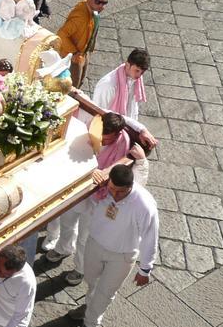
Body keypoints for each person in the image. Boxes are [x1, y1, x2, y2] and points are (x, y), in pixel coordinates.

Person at [44, 112, 149, 282]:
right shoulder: (93, 126)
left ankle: (80, 268)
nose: (101, 142)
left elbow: (117, 169)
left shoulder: (123, 145)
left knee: (85, 237)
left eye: (106, 140)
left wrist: (101, 172)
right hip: (79, 189)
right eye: (100, 137)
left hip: (99, 198)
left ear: (117, 135)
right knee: (67, 221)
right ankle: (63, 248)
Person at [65, 164, 158, 327]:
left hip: (122, 256)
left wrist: (145, 268)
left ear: (130, 186)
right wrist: (91, 176)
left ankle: (90, 324)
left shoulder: (144, 205)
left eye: (121, 192)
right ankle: (90, 307)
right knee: (92, 282)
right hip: (95, 245)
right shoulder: (102, 189)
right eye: (112, 190)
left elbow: (150, 237)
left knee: (105, 291)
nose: (115, 196)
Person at [93, 48, 158, 148]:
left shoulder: (134, 78)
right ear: (127, 64)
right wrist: (139, 128)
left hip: (124, 128)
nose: (139, 76)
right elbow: (100, 112)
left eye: (142, 72)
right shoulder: (108, 85)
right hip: (108, 135)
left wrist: (134, 127)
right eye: (137, 71)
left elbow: (133, 105)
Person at [56, 0, 109, 90]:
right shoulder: (81, 17)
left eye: (104, 3)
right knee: (72, 86)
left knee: (81, 79)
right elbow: (61, 34)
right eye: (98, 2)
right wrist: (74, 53)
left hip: (84, 51)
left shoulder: (91, 9)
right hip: (73, 57)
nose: (101, 6)